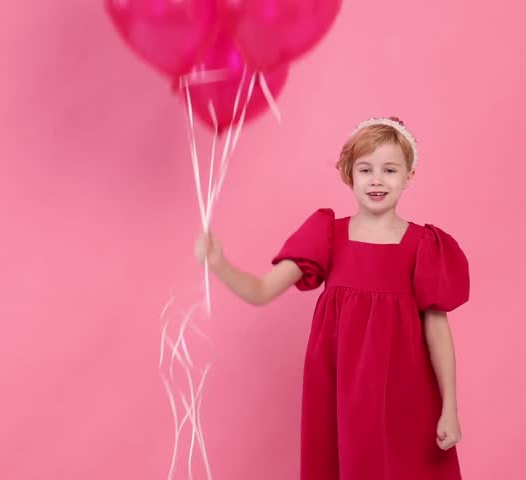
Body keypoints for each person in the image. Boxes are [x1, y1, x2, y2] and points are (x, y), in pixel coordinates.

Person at [195, 116, 470, 479]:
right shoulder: (327, 236)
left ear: (409, 176)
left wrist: (450, 406)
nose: (376, 179)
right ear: (348, 174)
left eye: (389, 170)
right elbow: (262, 291)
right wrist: (219, 264)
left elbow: (438, 330)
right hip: (340, 390)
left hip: (405, 391)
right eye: (365, 169)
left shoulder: (423, 246)